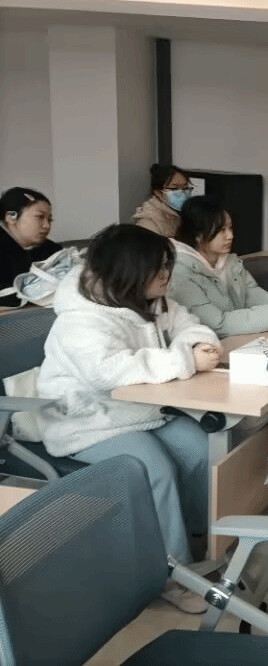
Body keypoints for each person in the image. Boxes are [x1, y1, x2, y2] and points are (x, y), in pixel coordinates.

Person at [35, 224, 221, 614]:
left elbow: (189, 324)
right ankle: (170, 575)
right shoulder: (81, 320)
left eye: (166, 265)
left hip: (142, 411)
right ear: (128, 271)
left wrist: (197, 344)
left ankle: (198, 543)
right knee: (152, 468)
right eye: (158, 268)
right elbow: (109, 373)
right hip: (89, 420)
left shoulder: (147, 298)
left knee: (201, 449)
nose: (166, 275)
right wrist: (185, 360)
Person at [167, 196, 268, 337]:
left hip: (238, 338)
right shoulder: (180, 271)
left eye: (230, 228)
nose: (230, 236)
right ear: (198, 234)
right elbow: (217, 324)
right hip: (209, 344)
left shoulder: (229, 261)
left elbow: (250, 294)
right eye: (222, 230)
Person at [0, 187, 61, 307]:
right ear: (10, 217)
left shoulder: (52, 249)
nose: (46, 225)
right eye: (40, 217)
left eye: (50, 220)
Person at [132, 164, 193, 237]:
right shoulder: (149, 221)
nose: (182, 193)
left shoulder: (185, 213)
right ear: (158, 193)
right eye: (174, 189)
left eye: (185, 188)